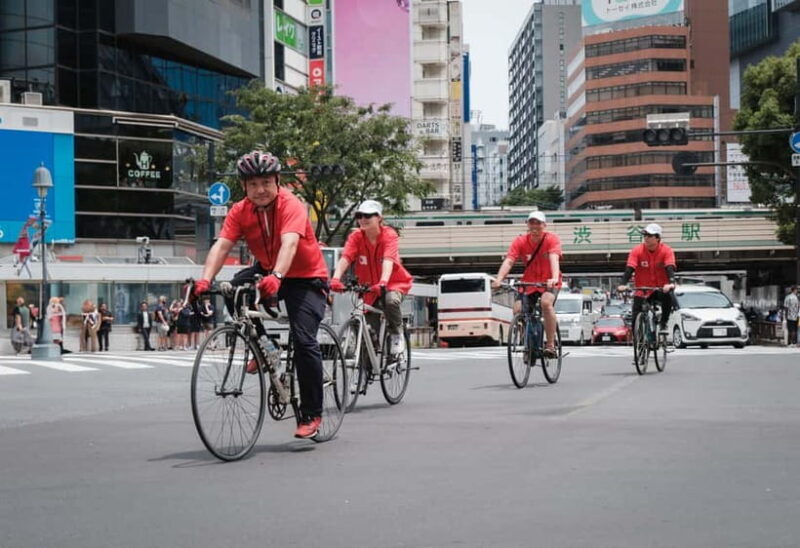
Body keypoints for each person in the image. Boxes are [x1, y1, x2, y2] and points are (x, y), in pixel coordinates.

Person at [193, 150, 329, 440]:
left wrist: (277, 277)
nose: (260, 190)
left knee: (305, 341)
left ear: (277, 181)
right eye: (252, 184)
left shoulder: (291, 204)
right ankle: (267, 347)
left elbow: (289, 244)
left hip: (305, 277)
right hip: (268, 270)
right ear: (244, 186)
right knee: (232, 290)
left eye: (266, 182)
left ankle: (312, 413)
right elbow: (221, 246)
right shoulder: (240, 210)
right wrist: (205, 279)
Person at [329, 200, 414, 355]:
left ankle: (396, 334)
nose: (362, 219)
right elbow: (346, 257)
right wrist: (335, 278)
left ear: (379, 218)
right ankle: (365, 368)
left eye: (368, 215)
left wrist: (383, 282)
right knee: (366, 332)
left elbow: (388, 259)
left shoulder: (389, 235)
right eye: (359, 215)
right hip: (369, 288)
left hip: (392, 283)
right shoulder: (356, 237)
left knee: (390, 301)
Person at [491, 211, 562, 358]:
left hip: (548, 282)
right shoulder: (520, 241)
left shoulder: (551, 239)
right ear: (527, 225)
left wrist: (554, 278)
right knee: (517, 310)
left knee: (546, 303)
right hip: (529, 283)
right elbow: (509, 260)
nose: (535, 226)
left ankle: (550, 345)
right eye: (532, 223)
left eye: (538, 223)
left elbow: (554, 259)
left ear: (544, 225)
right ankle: (528, 342)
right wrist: (498, 279)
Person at [617, 223, 677, 338]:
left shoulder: (667, 251)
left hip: (659, 289)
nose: (646, 238)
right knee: (636, 315)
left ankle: (663, 323)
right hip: (642, 290)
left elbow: (670, 268)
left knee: (668, 297)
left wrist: (671, 283)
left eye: (649, 235)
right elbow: (629, 269)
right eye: (645, 235)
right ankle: (638, 340)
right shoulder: (637, 251)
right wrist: (622, 284)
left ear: (658, 238)